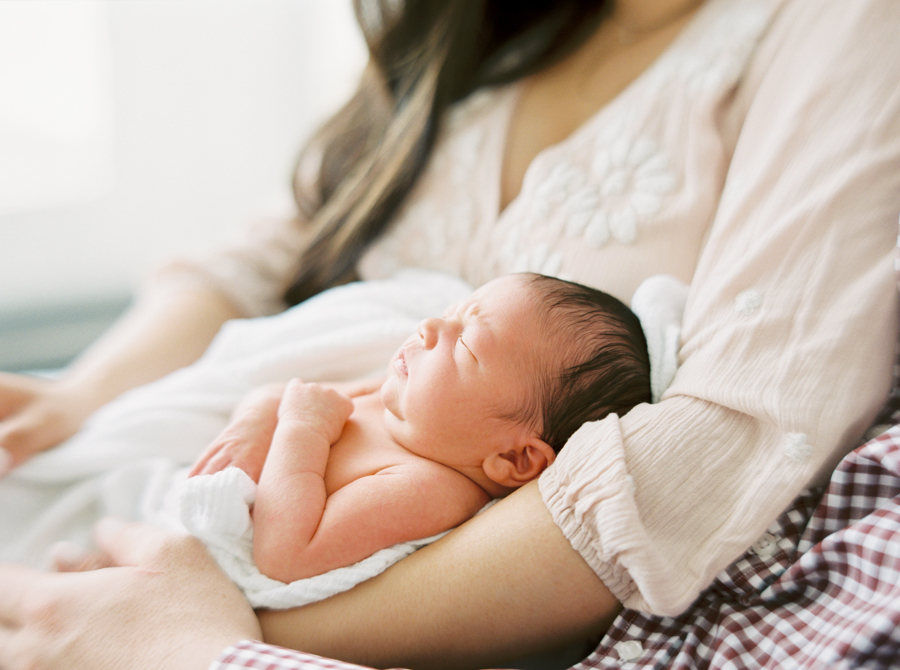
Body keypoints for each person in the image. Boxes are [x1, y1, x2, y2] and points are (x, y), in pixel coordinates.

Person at [0, 0, 898, 668]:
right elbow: (267, 252)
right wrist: (84, 391)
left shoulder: (841, 28)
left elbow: (716, 452)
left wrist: (210, 626)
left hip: (281, 583)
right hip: (167, 471)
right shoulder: (484, 23)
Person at [187, 272, 650, 589]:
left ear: (515, 459)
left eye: (466, 343)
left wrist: (301, 430)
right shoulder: (397, 400)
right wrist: (255, 418)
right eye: (452, 313)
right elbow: (289, 394)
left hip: (211, 564)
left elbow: (286, 556)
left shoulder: (427, 488)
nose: (430, 327)